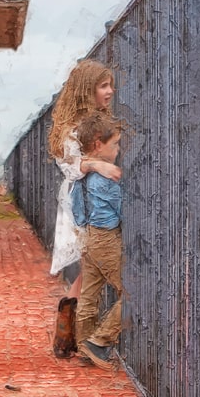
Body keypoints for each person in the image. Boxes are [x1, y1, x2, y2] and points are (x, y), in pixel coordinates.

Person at [48, 60, 120, 359]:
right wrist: (96, 164)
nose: (110, 91)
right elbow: (68, 166)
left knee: (89, 270)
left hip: (96, 200)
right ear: (86, 90)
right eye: (103, 86)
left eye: (110, 85)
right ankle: (75, 338)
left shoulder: (98, 120)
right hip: (83, 204)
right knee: (90, 265)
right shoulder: (71, 128)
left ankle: (70, 338)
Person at [69, 112, 124, 371]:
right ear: (97, 145)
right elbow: (124, 211)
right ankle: (98, 342)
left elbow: (76, 209)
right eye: (115, 144)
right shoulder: (107, 178)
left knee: (90, 294)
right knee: (135, 294)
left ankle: (83, 347)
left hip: (89, 236)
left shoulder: (82, 177)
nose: (118, 149)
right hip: (106, 238)